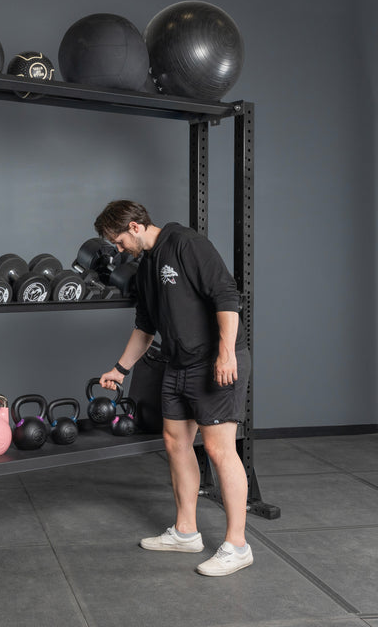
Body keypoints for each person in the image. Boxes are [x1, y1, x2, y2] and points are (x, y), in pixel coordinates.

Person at [95, 199, 253, 577]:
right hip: (177, 362)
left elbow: (227, 297)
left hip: (214, 361)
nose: (117, 250)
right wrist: (120, 368)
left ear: (135, 226)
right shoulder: (146, 267)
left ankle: (238, 544)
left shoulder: (186, 243)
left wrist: (226, 353)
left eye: (117, 242)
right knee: (175, 443)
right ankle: (186, 532)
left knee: (218, 450)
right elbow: (145, 327)